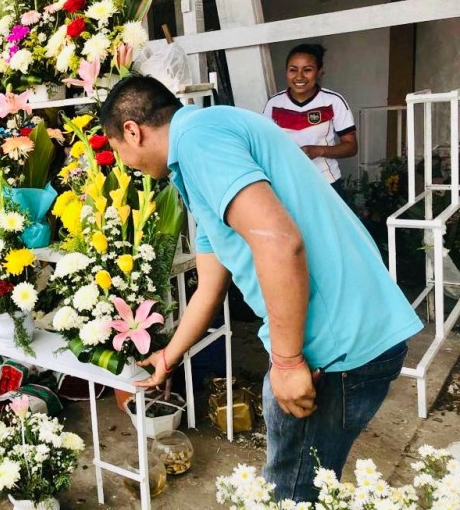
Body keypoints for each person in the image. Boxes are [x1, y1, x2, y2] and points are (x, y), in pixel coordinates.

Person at [98, 75, 422, 503]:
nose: (124, 164)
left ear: (132, 132)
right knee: (303, 485)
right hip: (353, 333)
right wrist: (168, 356)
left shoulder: (198, 139)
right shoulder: (202, 150)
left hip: (333, 348)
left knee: (290, 493)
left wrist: (286, 362)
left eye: (118, 150)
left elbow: (278, 241)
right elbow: (210, 284)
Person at [263, 43, 357, 195]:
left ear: (319, 72)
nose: (299, 76)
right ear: (286, 71)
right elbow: (265, 145)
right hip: (286, 182)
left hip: (325, 182)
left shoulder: (333, 101)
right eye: (293, 70)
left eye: (307, 70)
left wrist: (318, 150)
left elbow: (351, 147)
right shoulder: (274, 104)